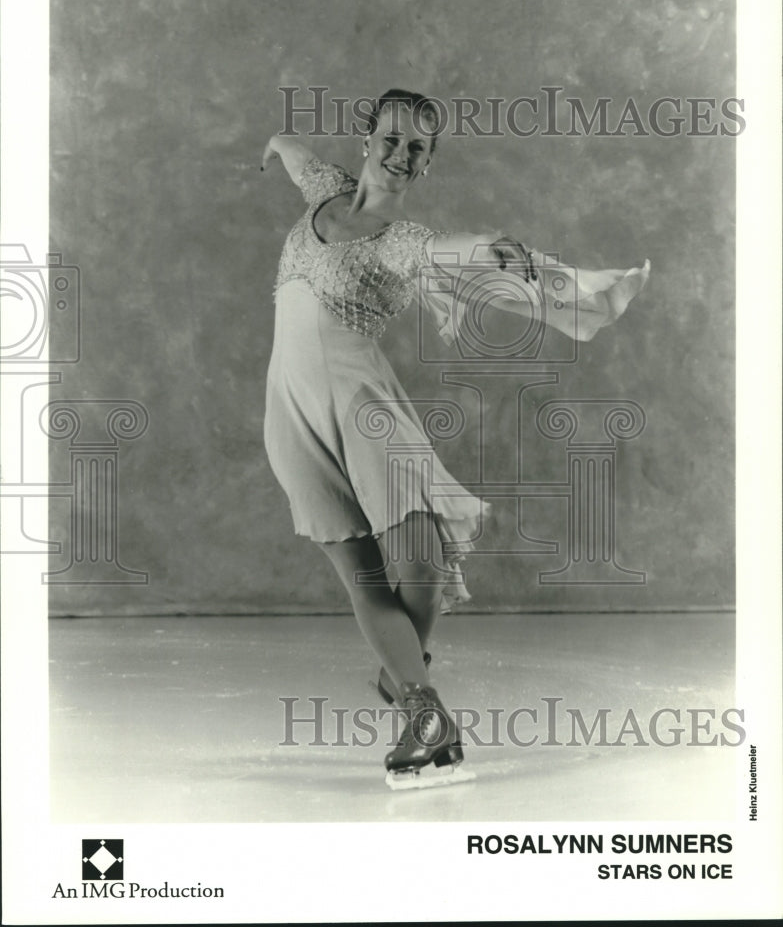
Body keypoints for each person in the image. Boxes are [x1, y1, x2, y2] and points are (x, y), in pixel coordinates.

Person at [260, 89, 650, 789]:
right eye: (390, 139)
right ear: (366, 139)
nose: (400, 155)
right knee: (361, 576)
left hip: (364, 409)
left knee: (418, 562)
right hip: (290, 413)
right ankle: (414, 692)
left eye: (416, 148)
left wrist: (499, 250)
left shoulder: (402, 240)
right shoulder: (326, 192)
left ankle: (413, 693)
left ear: (428, 163)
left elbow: (452, 250)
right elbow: (297, 157)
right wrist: (277, 146)